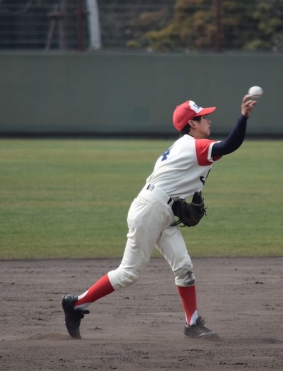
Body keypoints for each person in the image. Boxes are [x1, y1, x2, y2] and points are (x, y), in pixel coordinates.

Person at [62, 94, 258, 340]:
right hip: (151, 211)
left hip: (161, 210)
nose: (208, 120)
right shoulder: (192, 146)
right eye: (202, 117)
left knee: (184, 268)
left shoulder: (184, 146)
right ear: (191, 124)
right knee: (129, 273)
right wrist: (243, 117)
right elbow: (230, 145)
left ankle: (192, 323)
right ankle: (75, 304)